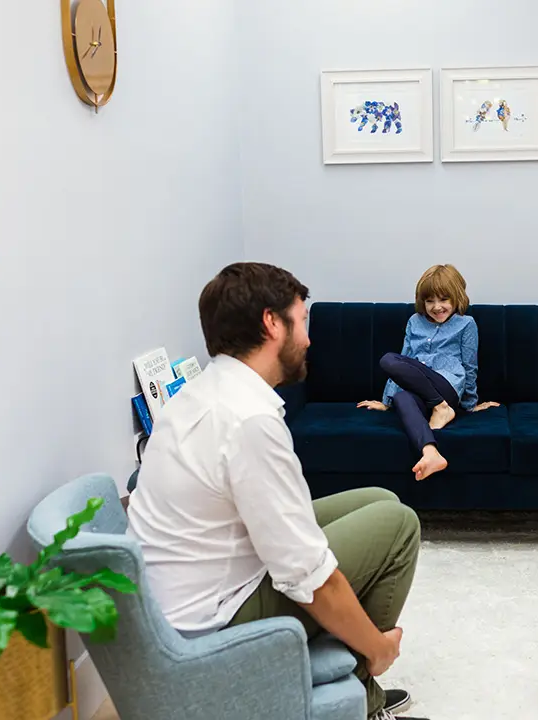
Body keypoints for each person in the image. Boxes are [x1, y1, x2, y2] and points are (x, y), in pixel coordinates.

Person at [127, 262, 428, 720]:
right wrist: (379, 646)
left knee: (380, 501)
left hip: (189, 595)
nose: (308, 338)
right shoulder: (249, 419)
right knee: (400, 524)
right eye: (302, 320)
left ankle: (354, 677)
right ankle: (365, 691)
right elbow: (309, 578)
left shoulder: (203, 390)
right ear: (272, 323)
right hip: (214, 623)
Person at [357, 264, 498, 481]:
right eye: (430, 300)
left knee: (394, 365)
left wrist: (469, 405)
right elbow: (403, 361)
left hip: (447, 385)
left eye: (443, 300)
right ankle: (430, 453)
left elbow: (470, 366)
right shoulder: (415, 321)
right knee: (395, 376)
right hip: (417, 387)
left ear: (456, 297)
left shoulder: (466, 324)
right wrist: (386, 402)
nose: (436, 307)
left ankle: (443, 407)